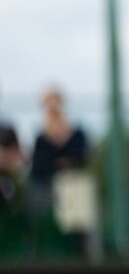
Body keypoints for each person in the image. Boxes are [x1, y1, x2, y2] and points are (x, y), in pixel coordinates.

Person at [27, 87, 92, 258]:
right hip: (45, 184)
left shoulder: (76, 133)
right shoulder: (41, 137)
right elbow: (38, 167)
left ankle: (81, 251)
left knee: (76, 206)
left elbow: (81, 158)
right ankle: (35, 250)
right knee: (38, 208)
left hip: (71, 184)